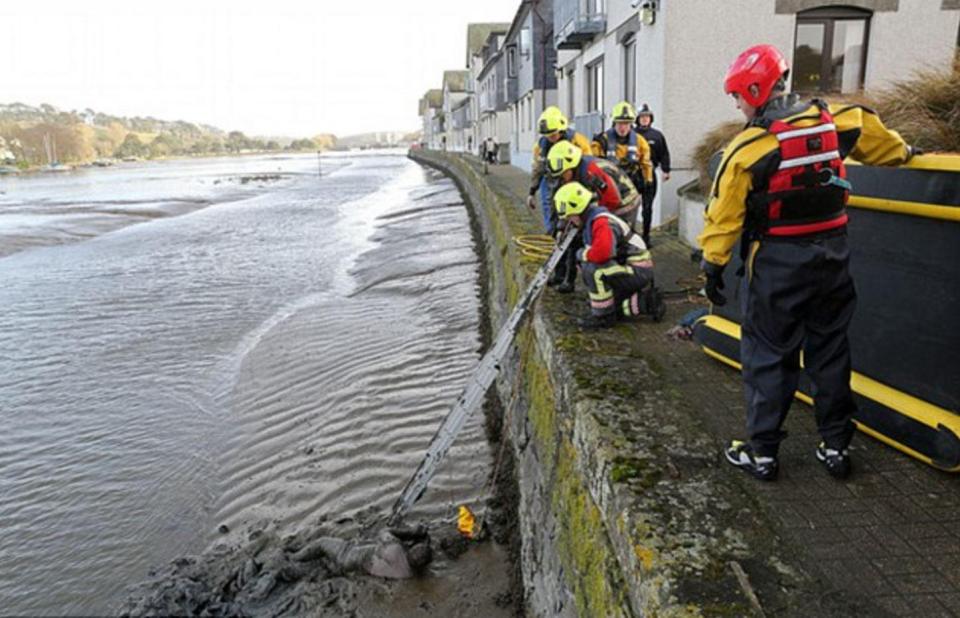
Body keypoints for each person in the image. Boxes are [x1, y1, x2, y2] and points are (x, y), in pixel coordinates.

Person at [698, 44, 918, 481]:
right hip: (833, 257)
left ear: (756, 90)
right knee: (831, 350)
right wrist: (909, 154)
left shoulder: (749, 149)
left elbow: (723, 215)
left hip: (778, 264)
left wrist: (712, 267)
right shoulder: (838, 120)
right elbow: (887, 145)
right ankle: (836, 446)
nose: (737, 105)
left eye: (738, 96)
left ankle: (762, 453)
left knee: (768, 354)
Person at [553, 182, 664, 329]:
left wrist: (581, 253)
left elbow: (603, 254)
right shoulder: (594, 219)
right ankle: (639, 304)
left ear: (578, 210)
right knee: (615, 305)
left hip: (637, 270)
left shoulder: (602, 223)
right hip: (630, 268)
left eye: (570, 217)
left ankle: (603, 317)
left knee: (593, 269)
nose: (569, 221)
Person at [592, 101, 653, 231]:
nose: (623, 127)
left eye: (626, 123)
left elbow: (646, 164)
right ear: (614, 122)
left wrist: (648, 181)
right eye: (620, 123)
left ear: (631, 123)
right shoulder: (602, 141)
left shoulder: (640, 142)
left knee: (630, 218)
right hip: (608, 186)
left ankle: (633, 236)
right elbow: (593, 164)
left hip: (630, 186)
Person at [292, 524, 432, 579]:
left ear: (410, 550)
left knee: (322, 542)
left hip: (347, 554)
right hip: (357, 570)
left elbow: (383, 530)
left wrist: (413, 532)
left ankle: (295, 557)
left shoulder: (395, 549)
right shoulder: (408, 575)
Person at [634, 103, 672, 247]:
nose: (644, 119)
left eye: (647, 117)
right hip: (633, 175)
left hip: (650, 175)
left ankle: (646, 236)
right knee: (630, 206)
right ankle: (629, 235)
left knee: (648, 207)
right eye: (642, 117)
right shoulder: (632, 135)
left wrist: (666, 170)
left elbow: (664, 154)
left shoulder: (657, 136)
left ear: (651, 118)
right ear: (637, 119)